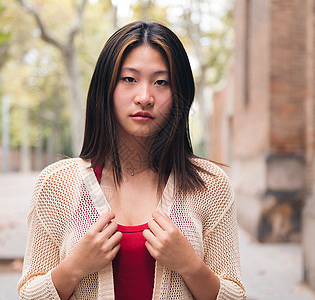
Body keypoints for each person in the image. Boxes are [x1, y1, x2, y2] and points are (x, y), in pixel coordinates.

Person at [18, 21, 246, 300]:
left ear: (179, 96)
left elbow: (235, 294)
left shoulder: (210, 186)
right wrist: (74, 267)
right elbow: (29, 294)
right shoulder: (57, 185)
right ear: (106, 88)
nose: (145, 97)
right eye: (129, 79)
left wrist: (190, 265)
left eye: (161, 82)